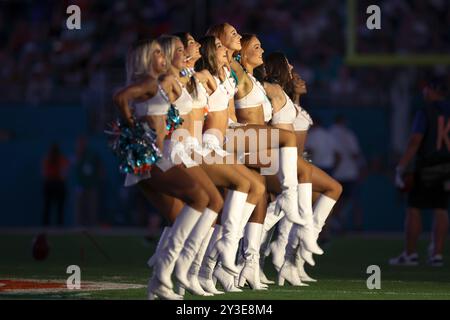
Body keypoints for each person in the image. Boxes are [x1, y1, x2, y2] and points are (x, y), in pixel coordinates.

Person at [390, 75, 450, 267]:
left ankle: (410, 253)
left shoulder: (426, 111)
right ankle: (437, 254)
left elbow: (415, 140)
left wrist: (402, 165)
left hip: (428, 163)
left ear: (432, 90)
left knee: (414, 208)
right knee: (440, 208)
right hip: (447, 164)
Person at [329, 115, 363, 231]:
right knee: (353, 201)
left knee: (335, 201)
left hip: (335, 174)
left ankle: (337, 223)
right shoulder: (348, 134)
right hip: (350, 173)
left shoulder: (329, 134)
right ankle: (356, 226)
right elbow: (355, 154)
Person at [74, 136, 103, 226]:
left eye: (82, 143)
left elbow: (100, 169)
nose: (80, 145)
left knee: (92, 207)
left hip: (91, 185)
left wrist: (97, 180)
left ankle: (92, 225)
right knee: (79, 207)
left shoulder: (92, 154)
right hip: (81, 186)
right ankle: (79, 226)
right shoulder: (77, 155)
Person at [42, 143, 69, 226]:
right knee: (53, 207)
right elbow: (64, 174)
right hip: (56, 184)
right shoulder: (49, 159)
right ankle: (55, 225)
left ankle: (52, 225)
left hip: (53, 184)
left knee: (51, 207)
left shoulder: (53, 159)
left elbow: (44, 173)